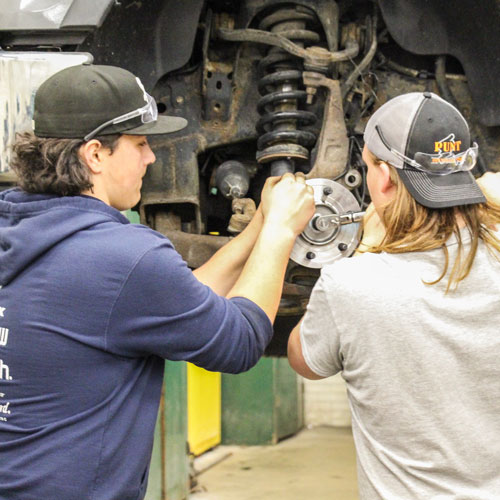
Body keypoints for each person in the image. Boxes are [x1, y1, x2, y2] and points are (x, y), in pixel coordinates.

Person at [0, 64, 315, 500]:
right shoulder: (125, 258)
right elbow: (240, 341)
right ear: (94, 155)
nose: (151, 158)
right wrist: (282, 230)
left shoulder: (23, 236)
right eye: (141, 143)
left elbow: (181, 300)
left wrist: (256, 231)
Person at [288, 91, 500, 499]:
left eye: (366, 166)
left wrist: (368, 248)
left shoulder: (351, 285)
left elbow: (304, 360)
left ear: (383, 178)